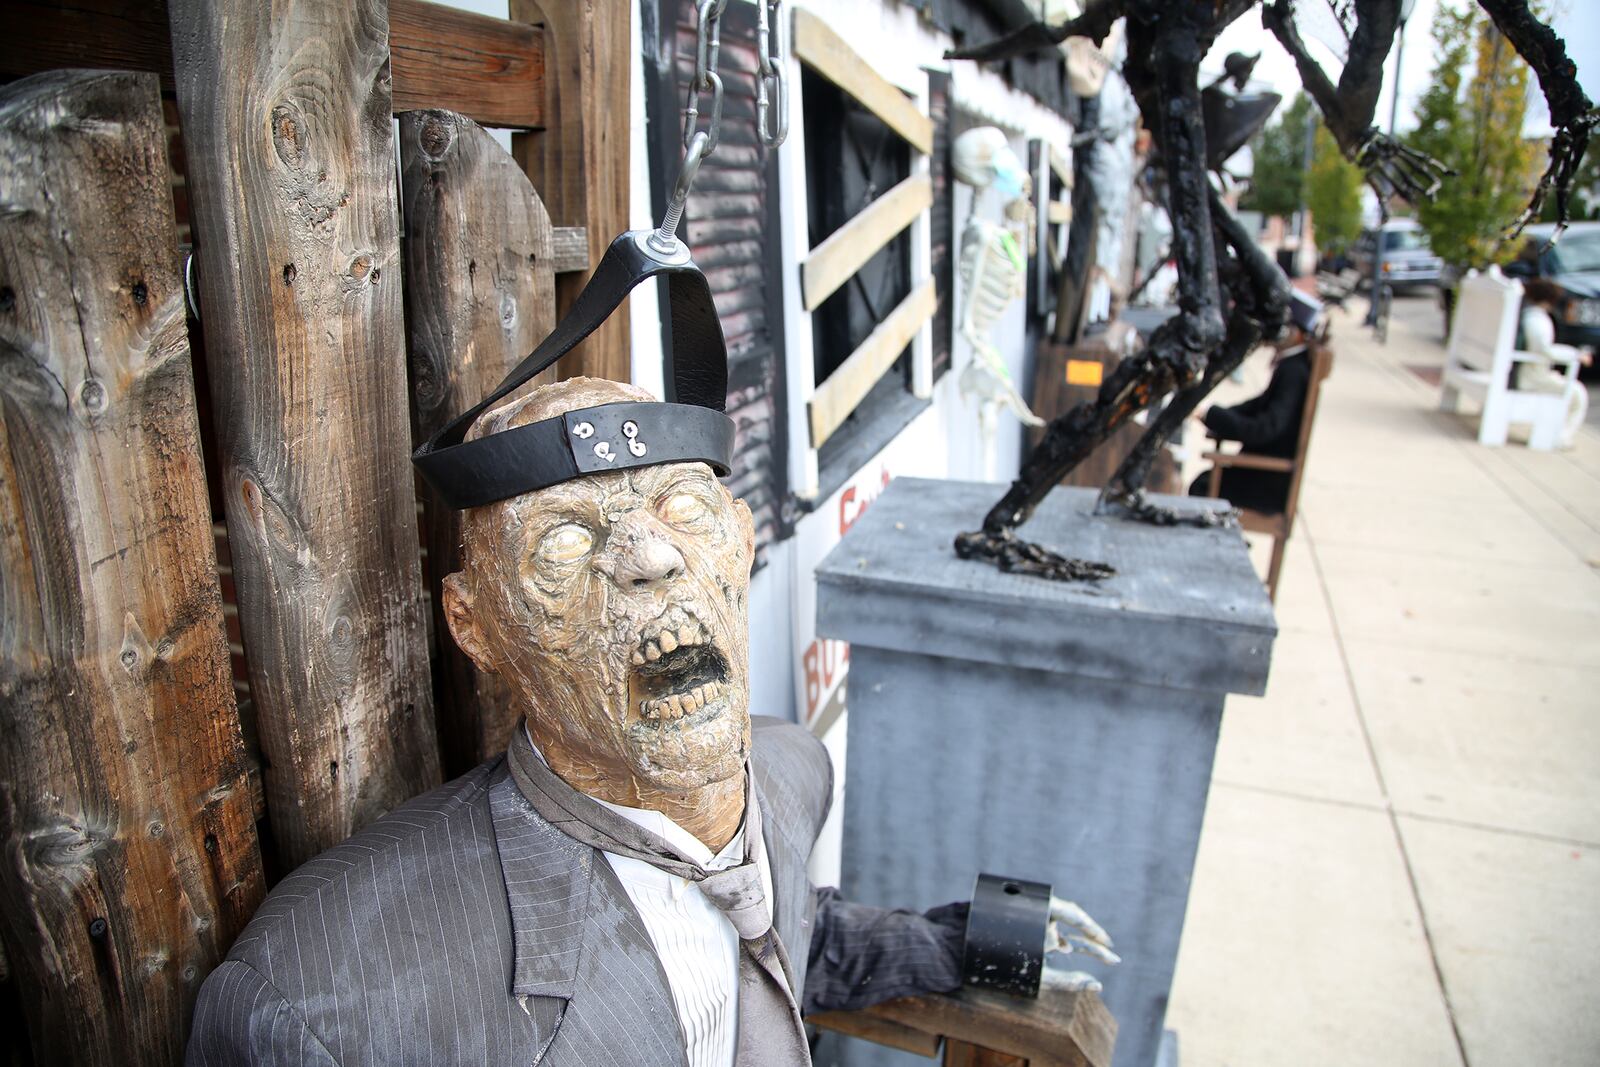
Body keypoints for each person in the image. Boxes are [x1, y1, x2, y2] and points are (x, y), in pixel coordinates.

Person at [186, 375, 1114, 1067]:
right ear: (477, 625)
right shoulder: (324, 1004)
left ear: (743, 542)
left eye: (681, 509)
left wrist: (958, 942)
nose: (649, 556)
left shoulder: (787, 771)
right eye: (563, 541)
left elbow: (783, 932)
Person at [1188, 289, 1324, 514]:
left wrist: (1215, 417)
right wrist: (1214, 415)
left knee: (1203, 486)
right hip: (1264, 477)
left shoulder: (1294, 372)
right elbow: (1258, 405)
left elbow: (1266, 428)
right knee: (1204, 482)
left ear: (1297, 333)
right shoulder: (1292, 365)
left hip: (1266, 484)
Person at [1517, 277, 1591, 449]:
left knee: (1574, 392)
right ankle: (1561, 437)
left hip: (1529, 372)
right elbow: (1543, 349)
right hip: (1533, 376)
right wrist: (1576, 355)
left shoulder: (1530, 315)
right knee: (1578, 394)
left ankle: (1557, 435)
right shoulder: (1536, 320)